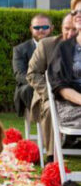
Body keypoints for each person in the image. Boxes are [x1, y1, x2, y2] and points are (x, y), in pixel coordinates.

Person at [27, 11, 77, 162]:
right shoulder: (47, 45)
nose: (69, 33)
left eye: (74, 29)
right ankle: (51, 157)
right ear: (61, 28)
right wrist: (51, 93)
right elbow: (33, 73)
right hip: (49, 95)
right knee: (50, 109)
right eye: (66, 28)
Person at [48, 0, 81, 139]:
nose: (78, 15)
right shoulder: (64, 49)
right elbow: (60, 86)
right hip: (73, 106)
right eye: (75, 12)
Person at [13, 14, 52, 118]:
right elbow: (19, 74)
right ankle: (43, 116)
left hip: (54, 83)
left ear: (51, 28)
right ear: (31, 28)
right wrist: (41, 83)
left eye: (45, 27)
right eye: (36, 27)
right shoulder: (19, 50)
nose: (41, 30)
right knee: (27, 90)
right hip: (30, 86)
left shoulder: (59, 46)